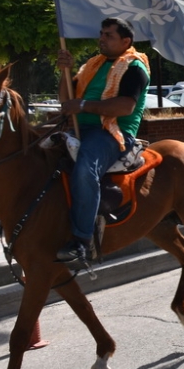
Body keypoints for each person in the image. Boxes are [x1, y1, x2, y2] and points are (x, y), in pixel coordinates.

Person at [55, 18, 150, 265]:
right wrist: (64, 72)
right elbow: (66, 99)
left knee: (86, 168)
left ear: (125, 41)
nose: (102, 38)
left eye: (109, 35)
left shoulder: (135, 67)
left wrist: (84, 105)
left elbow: (126, 106)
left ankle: (81, 241)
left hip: (112, 133)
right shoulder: (91, 65)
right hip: (79, 128)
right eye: (101, 33)